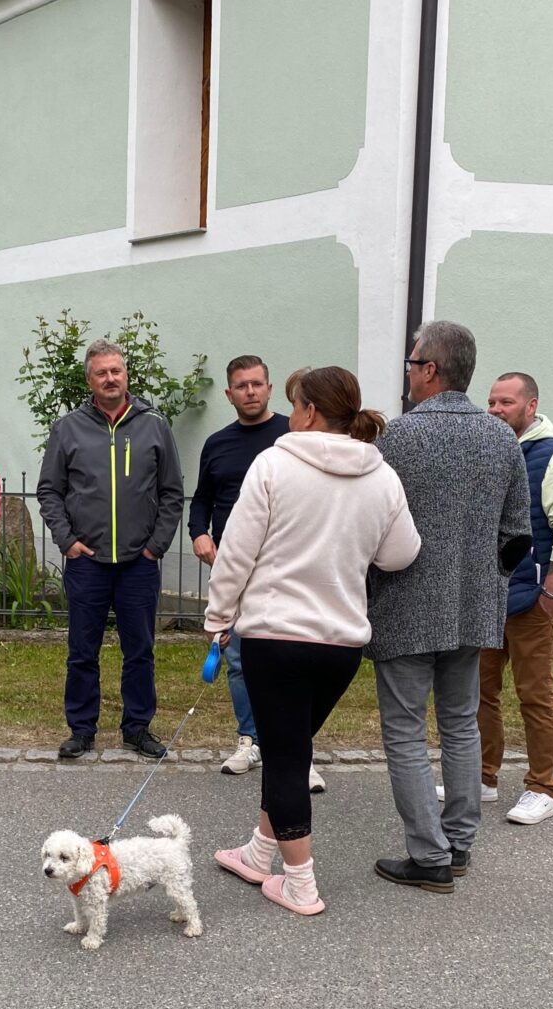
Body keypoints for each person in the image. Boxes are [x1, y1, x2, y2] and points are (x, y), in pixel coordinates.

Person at [206, 366, 420, 914]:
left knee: (284, 757)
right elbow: (400, 554)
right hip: (341, 644)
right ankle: (259, 853)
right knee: (289, 747)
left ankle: (300, 883)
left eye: (293, 401)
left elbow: (236, 551)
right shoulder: (382, 475)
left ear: (310, 411)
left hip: (275, 636)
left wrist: (218, 616)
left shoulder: (274, 464)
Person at [368, 321, 531, 894]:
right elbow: (518, 533)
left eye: (412, 364)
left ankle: (430, 856)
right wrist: (486, 583)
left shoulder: (397, 440)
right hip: (473, 608)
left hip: (405, 603)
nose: (408, 374)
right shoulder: (502, 437)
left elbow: (373, 527)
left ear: (431, 369)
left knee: (407, 731)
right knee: (461, 725)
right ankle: (458, 845)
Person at [37, 339, 184, 759]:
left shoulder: (154, 424)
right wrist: (67, 541)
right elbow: (49, 490)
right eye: (101, 372)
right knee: (82, 651)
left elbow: (172, 491)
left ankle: (137, 728)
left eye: (116, 371)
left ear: (126, 375)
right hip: (88, 562)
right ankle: (81, 729)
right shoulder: (68, 428)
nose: (110, 378)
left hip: (139, 561)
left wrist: (156, 546)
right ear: (90, 380)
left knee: (140, 649)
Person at [189, 355, 325, 790]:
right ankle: (249, 739)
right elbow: (202, 500)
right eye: (241, 386)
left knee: (293, 661)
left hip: (287, 568)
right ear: (229, 395)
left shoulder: (294, 434)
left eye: (257, 384)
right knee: (238, 660)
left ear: (270, 390)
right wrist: (198, 534)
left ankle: (298, 753)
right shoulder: (217, 443)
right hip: (233, 567)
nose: (250, 392)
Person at [475, 372, 553, 825]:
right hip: (490, 597)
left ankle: (542, 787)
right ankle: (482, 779)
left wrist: (551, 595)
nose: (497, 409)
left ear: (531, 406)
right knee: (479, 693)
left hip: (533, 599)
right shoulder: (497, 452)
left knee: (534, 695)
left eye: (506, 402)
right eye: (492, 402)